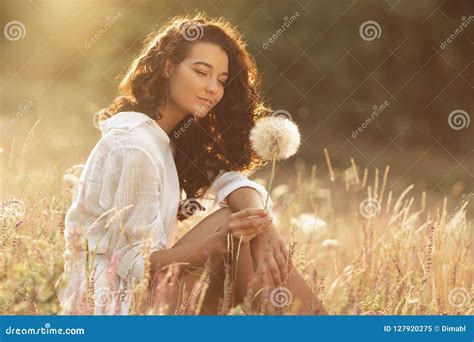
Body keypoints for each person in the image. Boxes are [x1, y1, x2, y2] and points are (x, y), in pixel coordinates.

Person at [55, 14, 326, 315]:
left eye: (221, 81)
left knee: (241, 222)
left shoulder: (166, 138)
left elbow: (228, 180)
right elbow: (136, 268)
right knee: (230, 225)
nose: (213, 88)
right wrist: (220, 241)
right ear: (168, 67)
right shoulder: (137, 148)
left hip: (141, 296)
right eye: (201, 72)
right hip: (111, 306)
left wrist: (263, 222)